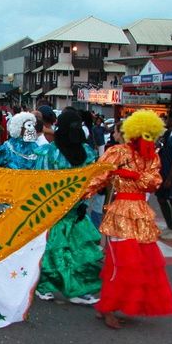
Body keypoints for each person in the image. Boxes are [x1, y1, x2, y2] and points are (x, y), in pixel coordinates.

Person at [85, 110, 172, 329]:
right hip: (120, 213)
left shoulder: (152, 157)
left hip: (141, 214)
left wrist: (134, 176)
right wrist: (79, 195)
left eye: (150, 135)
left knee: (141, 263)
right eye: (142, 134)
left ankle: (114, 304)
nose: (146, 139)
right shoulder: (117, 152)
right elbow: (96, 176)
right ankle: (107, 307)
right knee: (121, 263)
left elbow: (154, 182)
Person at [33, 109, 102, 304]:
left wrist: (84, 201)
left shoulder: (87, 152)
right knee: (52, 251)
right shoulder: (49, 152)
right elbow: (41, 182)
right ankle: (43, 286)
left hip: (77, 212)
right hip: (53, 212)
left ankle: (78, 289)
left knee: (77, 251)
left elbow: (91, 180)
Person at [156, 108, 172, 240]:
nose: (166, 120)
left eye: (167, 118)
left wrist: (170, 179)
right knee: (161, 198)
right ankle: (170, 226)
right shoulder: (169, 134)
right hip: (164, 172)